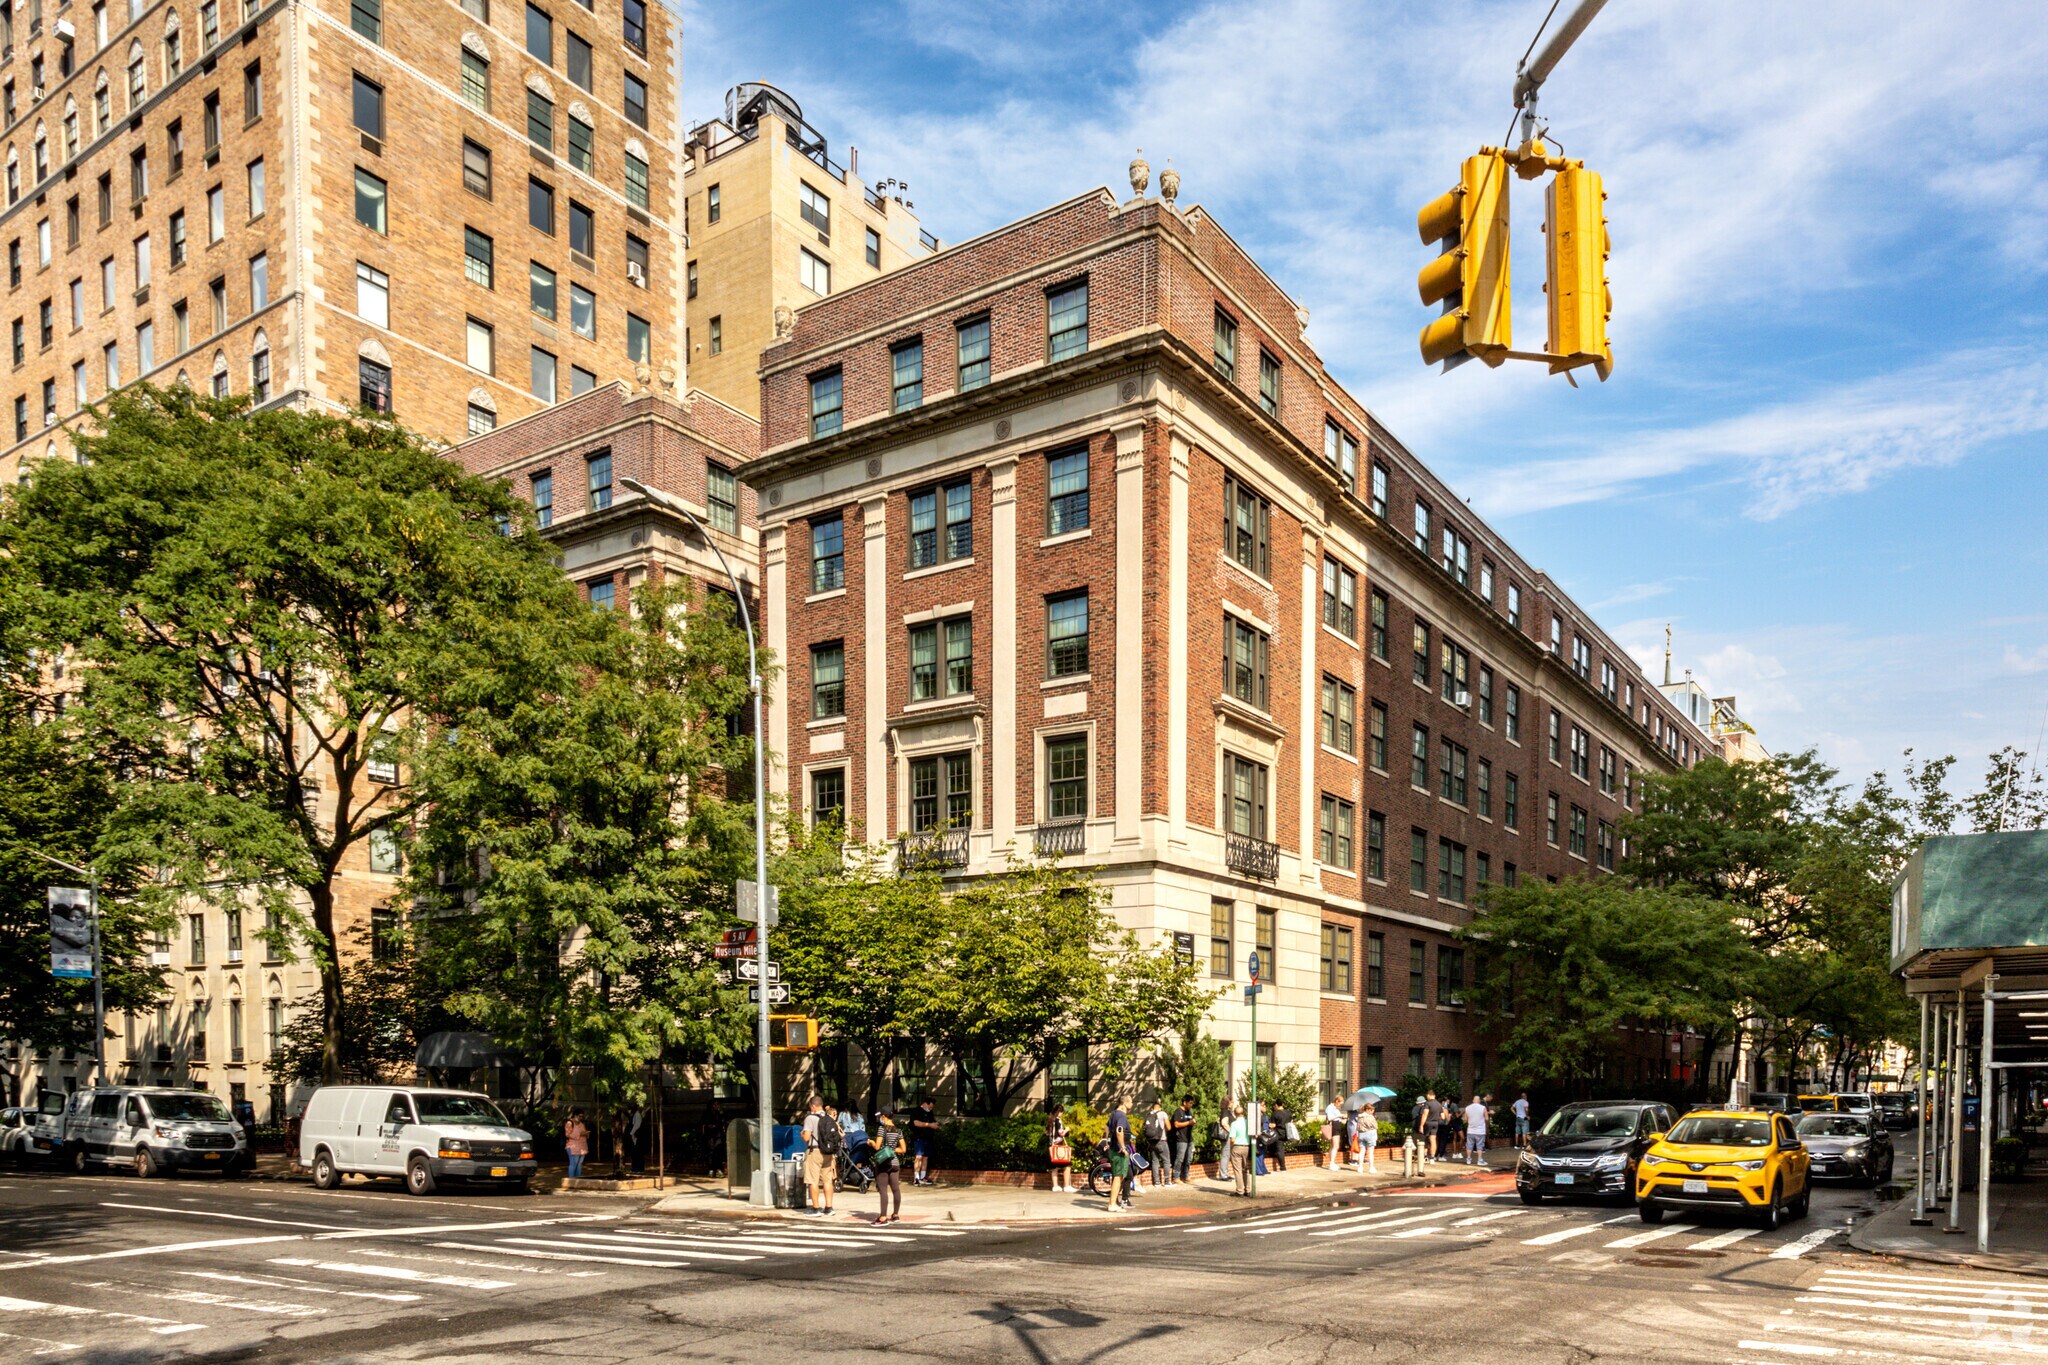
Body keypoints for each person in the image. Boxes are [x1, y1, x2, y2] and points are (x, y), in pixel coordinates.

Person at [800, 1096, 836, 1216]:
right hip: (828, 1152)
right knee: (827, 1180)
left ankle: (815, 1208)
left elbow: (806, 1137)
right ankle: (829, 1207)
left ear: (813, 1106)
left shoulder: (810, 1118)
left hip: (814, 1151)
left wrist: (802, 1134)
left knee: (813, 1180)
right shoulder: (828, 1117)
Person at [871, 1109, 904, 1225]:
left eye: (881, 1116)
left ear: (884, 1116)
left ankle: (883, 1217)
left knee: (883, 1190)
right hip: (894, 1163)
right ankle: (895, 1215)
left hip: (883, 1163)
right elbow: (903, 1149)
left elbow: (877, 1146)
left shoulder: (882, 1129)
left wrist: (871, 1143)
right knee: (896, 1189)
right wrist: (891, 1150)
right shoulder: (898, 1130)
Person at [1105, 1097, 1133, 1211]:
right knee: (1118, 1177)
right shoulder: (1121, 1115)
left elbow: (1107, 1127)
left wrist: (1107, 1140)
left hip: (1113, 1148)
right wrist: (1123, 1148)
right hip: (1119, 1150)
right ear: (1125, 1103)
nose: (1132, 1104)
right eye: (1131, 1102)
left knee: (1117, 1176)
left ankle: (1113, 1202)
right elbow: (1119, 1130)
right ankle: (1112, 1205)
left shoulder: (1114, 1113)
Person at [909, 1098, 940, 1186]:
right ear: (925, 1104)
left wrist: (936, 1125)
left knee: (925, 1158)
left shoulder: (930, 1113)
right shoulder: (916, 1111)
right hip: (919, 1137)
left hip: (928, 1137)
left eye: (931, 1108)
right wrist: (929, 1125)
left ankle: (923, 1177)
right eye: (929, 1107)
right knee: (919, 1156)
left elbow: (933, 1122)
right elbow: (915, 1123)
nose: (930, 1109)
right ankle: (916, 1178)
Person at [1046, 1103, 1074, 1194]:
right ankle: (1066, 1186)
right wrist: (1067, 1129)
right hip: (1059, 1146)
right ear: (1059, 1112)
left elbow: (1047, 1133)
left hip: (1051, 1147)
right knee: (1067, 1165)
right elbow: (1061, 1133)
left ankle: (1055, 1186)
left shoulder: (1050, 1120)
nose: (1062, 1113)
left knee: (1054, 1167)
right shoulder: (1058, 1120)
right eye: (1062, 1112)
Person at [1143, 1099, 1172, 1187]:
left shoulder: (1149, 1114)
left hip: (1152, 1141)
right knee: (1166, 1161)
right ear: (1160, 1107)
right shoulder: (1163, 1113)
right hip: (1161, 1140)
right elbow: (1169, 1127)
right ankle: (1167, 1182)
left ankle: (1156, 1182)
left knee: (1155, 1161)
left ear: (1153, 1107)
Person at [1169, 1098, 1196, 1184]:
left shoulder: (1189, 1112)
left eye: (1192, 1103)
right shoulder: (1178, 1112)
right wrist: (1189, 1123)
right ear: (1184, 1102)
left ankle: (1185, 1176)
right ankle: (1176, 1177)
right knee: (1180, 1158)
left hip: (1189, 1139)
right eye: (1190, 1103)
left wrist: (1192, 1122)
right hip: (1181, 1139)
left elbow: (1190, 1121)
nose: (1191, 1105)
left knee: (1189, 1158)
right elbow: (1176, 1124)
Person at [1227, 1104, 1252, 1196]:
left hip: (1237, 1147)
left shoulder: (1234, 1124)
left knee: (1238, 1170)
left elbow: (1232, 1139)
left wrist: (1231, 1146)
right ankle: (1248, 1190)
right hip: (1247, 1147)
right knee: (1246, 1169)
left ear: (1234, 1114)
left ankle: (1240, 1191)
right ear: (1243, 1113)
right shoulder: (1248, 1122)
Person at [564, 1109, 590, 1180]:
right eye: (579, 1116)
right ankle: (572, 1180)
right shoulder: (570, 1123)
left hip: (582, 1147)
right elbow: (567, 1134)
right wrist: (580, 1134)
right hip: (573, 1147)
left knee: (579, 1164)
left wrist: (586, 1134)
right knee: (574, 1164)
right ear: (575, 1115)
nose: (581, 1118)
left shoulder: (582, 1124)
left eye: (582, 1117)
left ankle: (578, 1179)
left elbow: (584, 1133)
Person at [1464, 1094, 1489, 1167]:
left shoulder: (1467, 1108)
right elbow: (1487, 1118)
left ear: (1473, 1100)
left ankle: (1468, 1159)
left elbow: (1465, 1119)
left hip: (1470, 1130)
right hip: (1480, 1131)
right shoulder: (1483, 1108)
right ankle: (1479, 1160)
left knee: (1469, 1145)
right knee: (1480, 1146)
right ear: (1479, 1101)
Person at [1215, 1104, 1236, 1186]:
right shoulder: (1225, 1112)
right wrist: (1232, 1132)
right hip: (1226, 1136)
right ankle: (1223, 1175)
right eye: (1231, 1102)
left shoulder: (1227, 1112)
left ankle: (1225, 1174)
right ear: (1228, 1102)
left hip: (1228, 1136)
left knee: (1227, 1155)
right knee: (1225, 1155)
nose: (1232, 1104)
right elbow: (1224, 1123)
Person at [1355, 1100, 1378, 1174]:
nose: (1373, 1111)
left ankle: (1360, 1167)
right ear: (1368, 1109)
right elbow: (1375, 1126)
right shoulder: (1370, 1117)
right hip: (1370, 1134)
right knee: (1370, 1152)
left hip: (1361, 1134)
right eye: (1372, 1110)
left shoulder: (1359, 1116)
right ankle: (1371, 1168)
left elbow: (1357, 1127)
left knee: (1362, 1151)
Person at [1268, 1099, 1291, 1172]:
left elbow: (1273, 1125)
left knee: (1279, 1150)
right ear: (1282, 1104)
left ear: (1276, 1105)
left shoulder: (1275, 1114)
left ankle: (1283, 1167)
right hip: (1287, 1132)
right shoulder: (1288, 1113)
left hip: (1279, 1133)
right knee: (1281, 1149)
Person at [1324, 1096, 1345, 1170]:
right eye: (1340, 1104)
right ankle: (1332, 1163)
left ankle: (1332, 1162)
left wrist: (1342, 1117)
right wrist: (1339, 1115)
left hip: (1337, 1125)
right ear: (1337, 1101)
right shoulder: (1330, 1107)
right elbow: (1329, 1118)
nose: (1340, 1105)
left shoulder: (1334, 1108)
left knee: (1333, 1145)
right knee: (1335, 1146)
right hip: (1334, 1126)